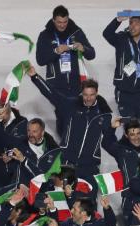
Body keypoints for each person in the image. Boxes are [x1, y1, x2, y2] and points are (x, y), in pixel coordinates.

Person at [35, 4, 97, 138]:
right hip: (56, 86)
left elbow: (92, 54)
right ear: (53, 21)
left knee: (76, 117)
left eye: (65, 22)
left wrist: (83, 48)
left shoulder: (77, 32)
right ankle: (64, 144)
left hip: (76, 85)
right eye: (59, 22)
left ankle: (74, 146)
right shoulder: (45, 35)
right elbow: (40, 59)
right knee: (63, 117)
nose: (62, 25)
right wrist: (56, 51)